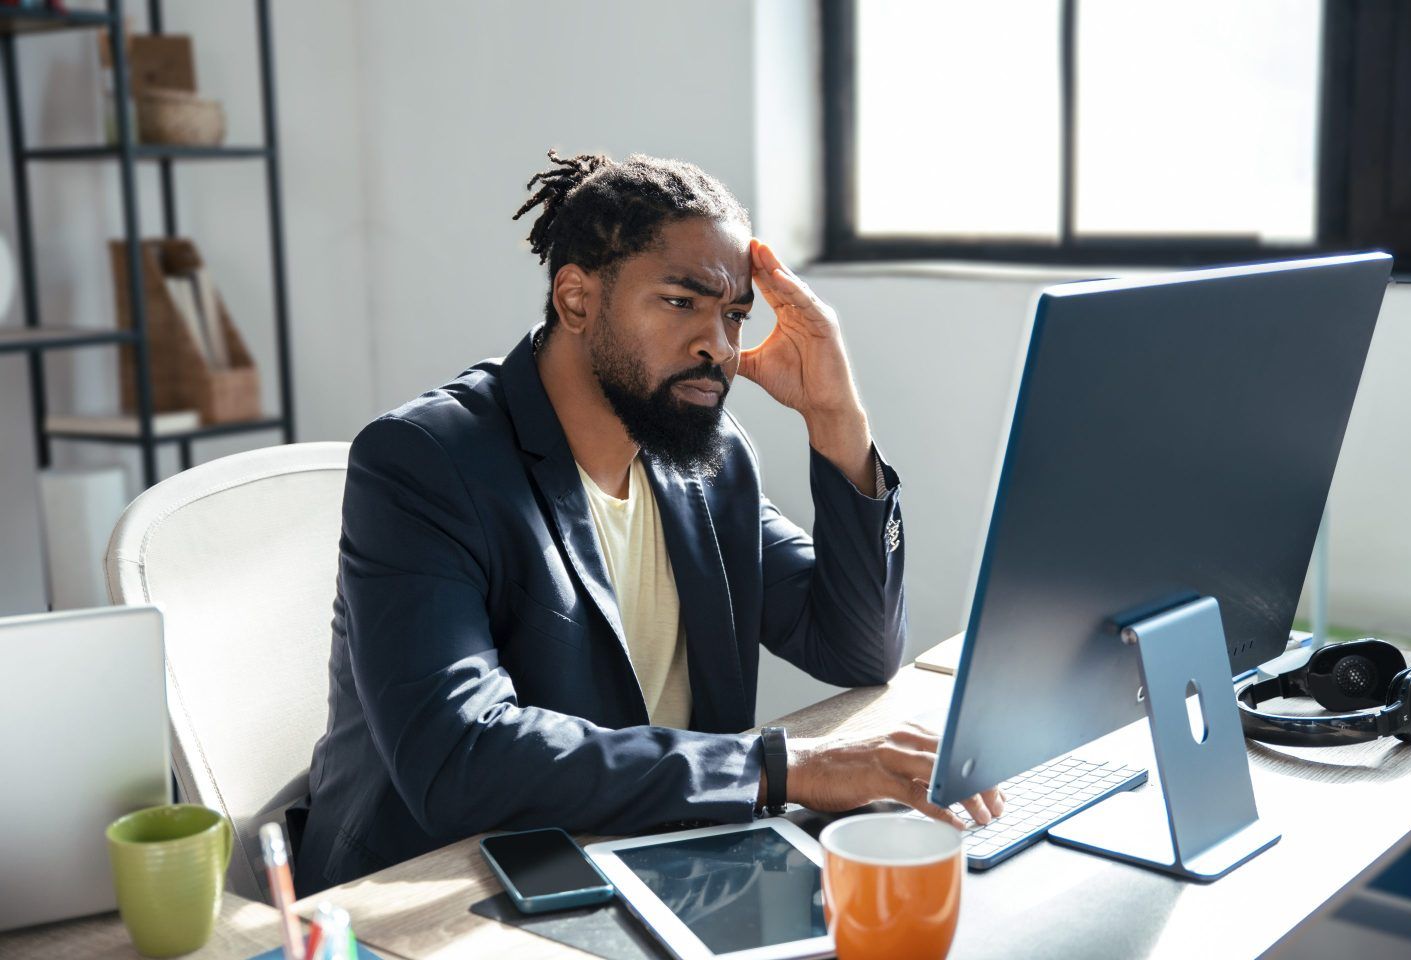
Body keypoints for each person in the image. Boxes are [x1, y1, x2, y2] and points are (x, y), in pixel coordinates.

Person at [292, 150, 1003, 894]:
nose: (718, 346)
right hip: (439, 892)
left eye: (733, 315)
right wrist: (784, 767)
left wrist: (836, 417)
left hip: (651, 859)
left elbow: (856, 648)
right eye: (680, 302)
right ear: (576, 300)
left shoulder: (710, 459)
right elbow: (459, 755)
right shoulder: (426, 461)